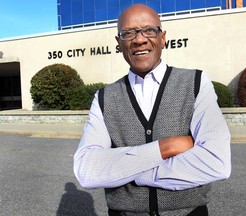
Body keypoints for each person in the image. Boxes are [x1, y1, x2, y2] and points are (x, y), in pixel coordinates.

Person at [74, 4, 231, 216]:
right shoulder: (104, 98)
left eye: (149, 30)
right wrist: (164, 148)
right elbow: (86, 171)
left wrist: (131, 172)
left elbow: (217, 162)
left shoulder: (195, 83)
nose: (139, 39)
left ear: (163, 38)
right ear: (119, 44)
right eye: (128, 33)